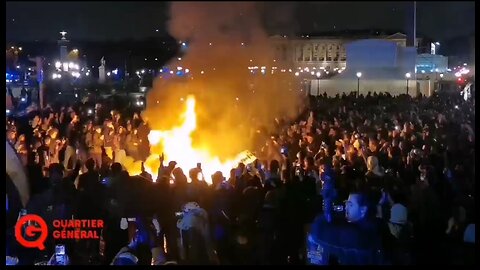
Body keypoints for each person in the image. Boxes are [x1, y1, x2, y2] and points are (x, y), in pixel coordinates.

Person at [306, 191, 384, 265]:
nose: (346, 207)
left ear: (363, 210)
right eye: (346, 203)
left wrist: (322, 218)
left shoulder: (361, 235)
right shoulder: (374, 226)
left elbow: (324, 235)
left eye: (350, 205)